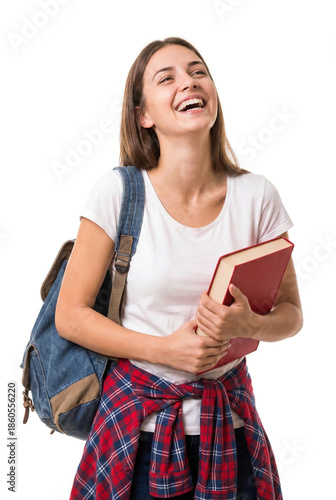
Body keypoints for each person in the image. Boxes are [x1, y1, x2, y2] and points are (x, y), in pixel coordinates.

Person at [55, 37, 303, 500]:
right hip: (136, 436)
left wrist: (250, 324)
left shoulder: (258, 197)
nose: (187, 82)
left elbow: (291, 314)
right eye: (165, 78)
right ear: (143, 115)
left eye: (197, 71)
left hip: (230, 433)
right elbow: (70, 315)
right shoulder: (117, 193)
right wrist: (165, 351)